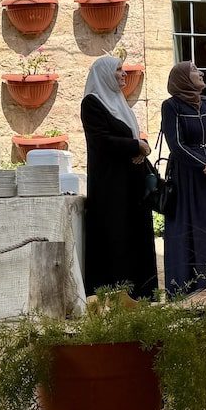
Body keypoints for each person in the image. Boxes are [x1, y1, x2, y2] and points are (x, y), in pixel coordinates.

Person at [80, 55, 157, 299]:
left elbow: (131, 138)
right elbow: (101, 141)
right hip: (111, 186)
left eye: (123, 69)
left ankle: (141, 295)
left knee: (135, 237)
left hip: (130, 184)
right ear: (104, 74)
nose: (124, 74)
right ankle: (114, 297)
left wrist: (140, 146)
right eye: (118, 70)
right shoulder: (92, 103)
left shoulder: (118, 101)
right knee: (115, 239)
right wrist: (136, 146)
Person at [161, 61, 206, 294]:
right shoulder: (171, 106)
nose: (201, 72)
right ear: (183, 78)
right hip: (188, 179)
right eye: (195, 70)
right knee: (193, 228)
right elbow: (176, 145)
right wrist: (205, 164)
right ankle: (191, 289)